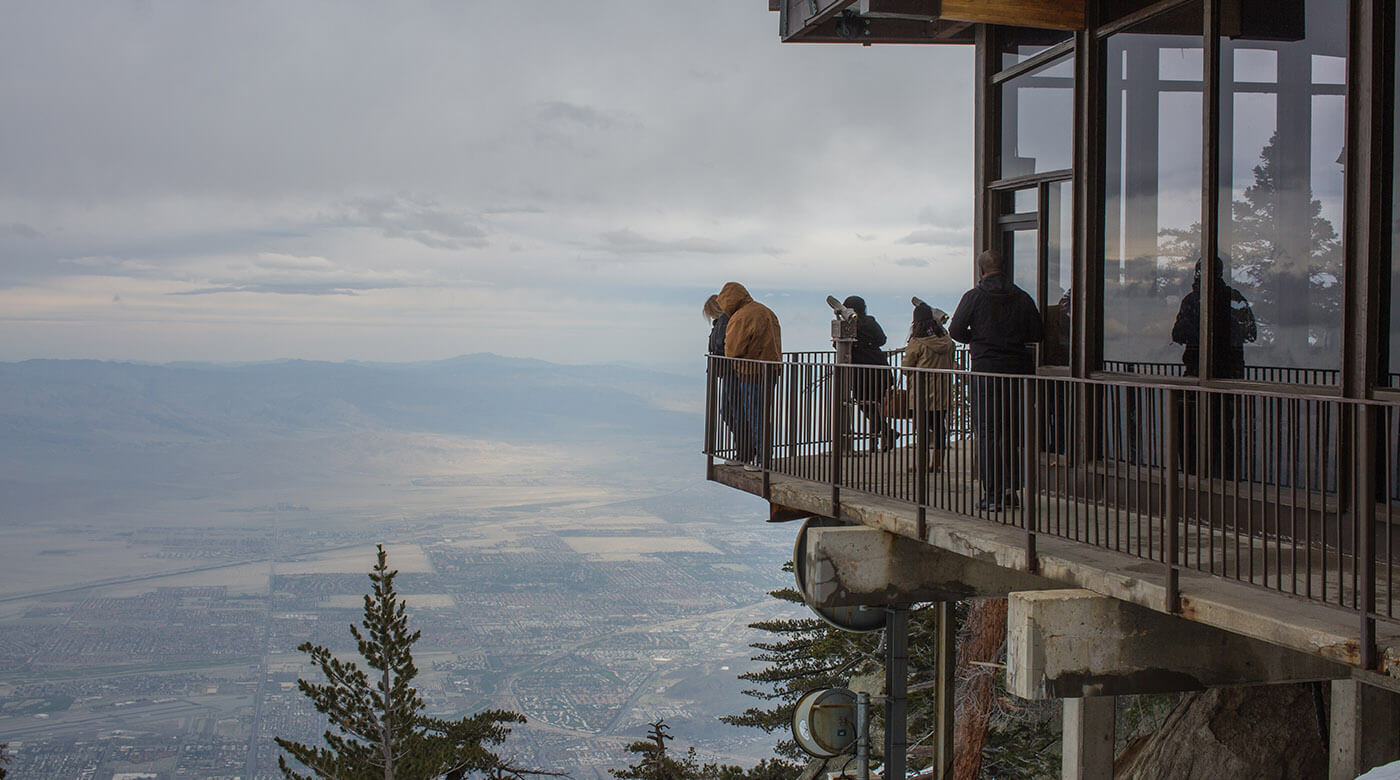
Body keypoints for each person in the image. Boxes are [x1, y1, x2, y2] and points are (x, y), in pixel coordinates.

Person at [949, 249, 1043, 511]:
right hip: (1018, 371)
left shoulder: (974, 297)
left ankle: (992, 494)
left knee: (989, 432)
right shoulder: (1022, 297)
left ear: (981, 270)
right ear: (1005, 268)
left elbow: (956, 330)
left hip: (986, 370)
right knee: (1012, 433)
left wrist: (979, 340)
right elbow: (1037, 332)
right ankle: (1011, 492)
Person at [1171, 259, 1257, 478]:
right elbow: (1250, 332)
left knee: (1191, 431)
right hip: (1226, 379)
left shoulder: (1193, 301)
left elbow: (1178, 333)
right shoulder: (1234, 299)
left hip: (1198, 377)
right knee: (1221, 432)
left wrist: (1200, 329)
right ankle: (1222, 478)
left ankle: (1196, 476)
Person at [718, 282, 782, 471]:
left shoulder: (742, 316)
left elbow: (733, 349)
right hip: (770, 370)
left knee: (755, 415)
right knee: (761, 414)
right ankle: (759, 455)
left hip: (751, 372)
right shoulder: (765, 311)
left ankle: (761, 459)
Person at [902, 302, 955, 473]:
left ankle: (922, 465)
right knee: (940, 428)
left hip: (922, 393)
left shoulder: (918, 342)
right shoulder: (947, 341)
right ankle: (937, 465)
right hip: (943, 391)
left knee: (922, 431)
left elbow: (906, 366)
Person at [841, 295, 898, 453]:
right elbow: (882, 340)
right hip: (880, 369)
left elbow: (840, 344)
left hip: (861, 373)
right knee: (878, 406)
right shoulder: (871, 321)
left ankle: (886, 434)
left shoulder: (849, 324)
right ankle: (879, 440)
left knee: (866, 406)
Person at [704, 294, 739, 458]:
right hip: (728, 371)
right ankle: (743, 448)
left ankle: (744, 450)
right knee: (729, 410)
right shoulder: (724, 320)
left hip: (730, 371)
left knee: (730, 411)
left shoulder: (724, 320)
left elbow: (720, 344)